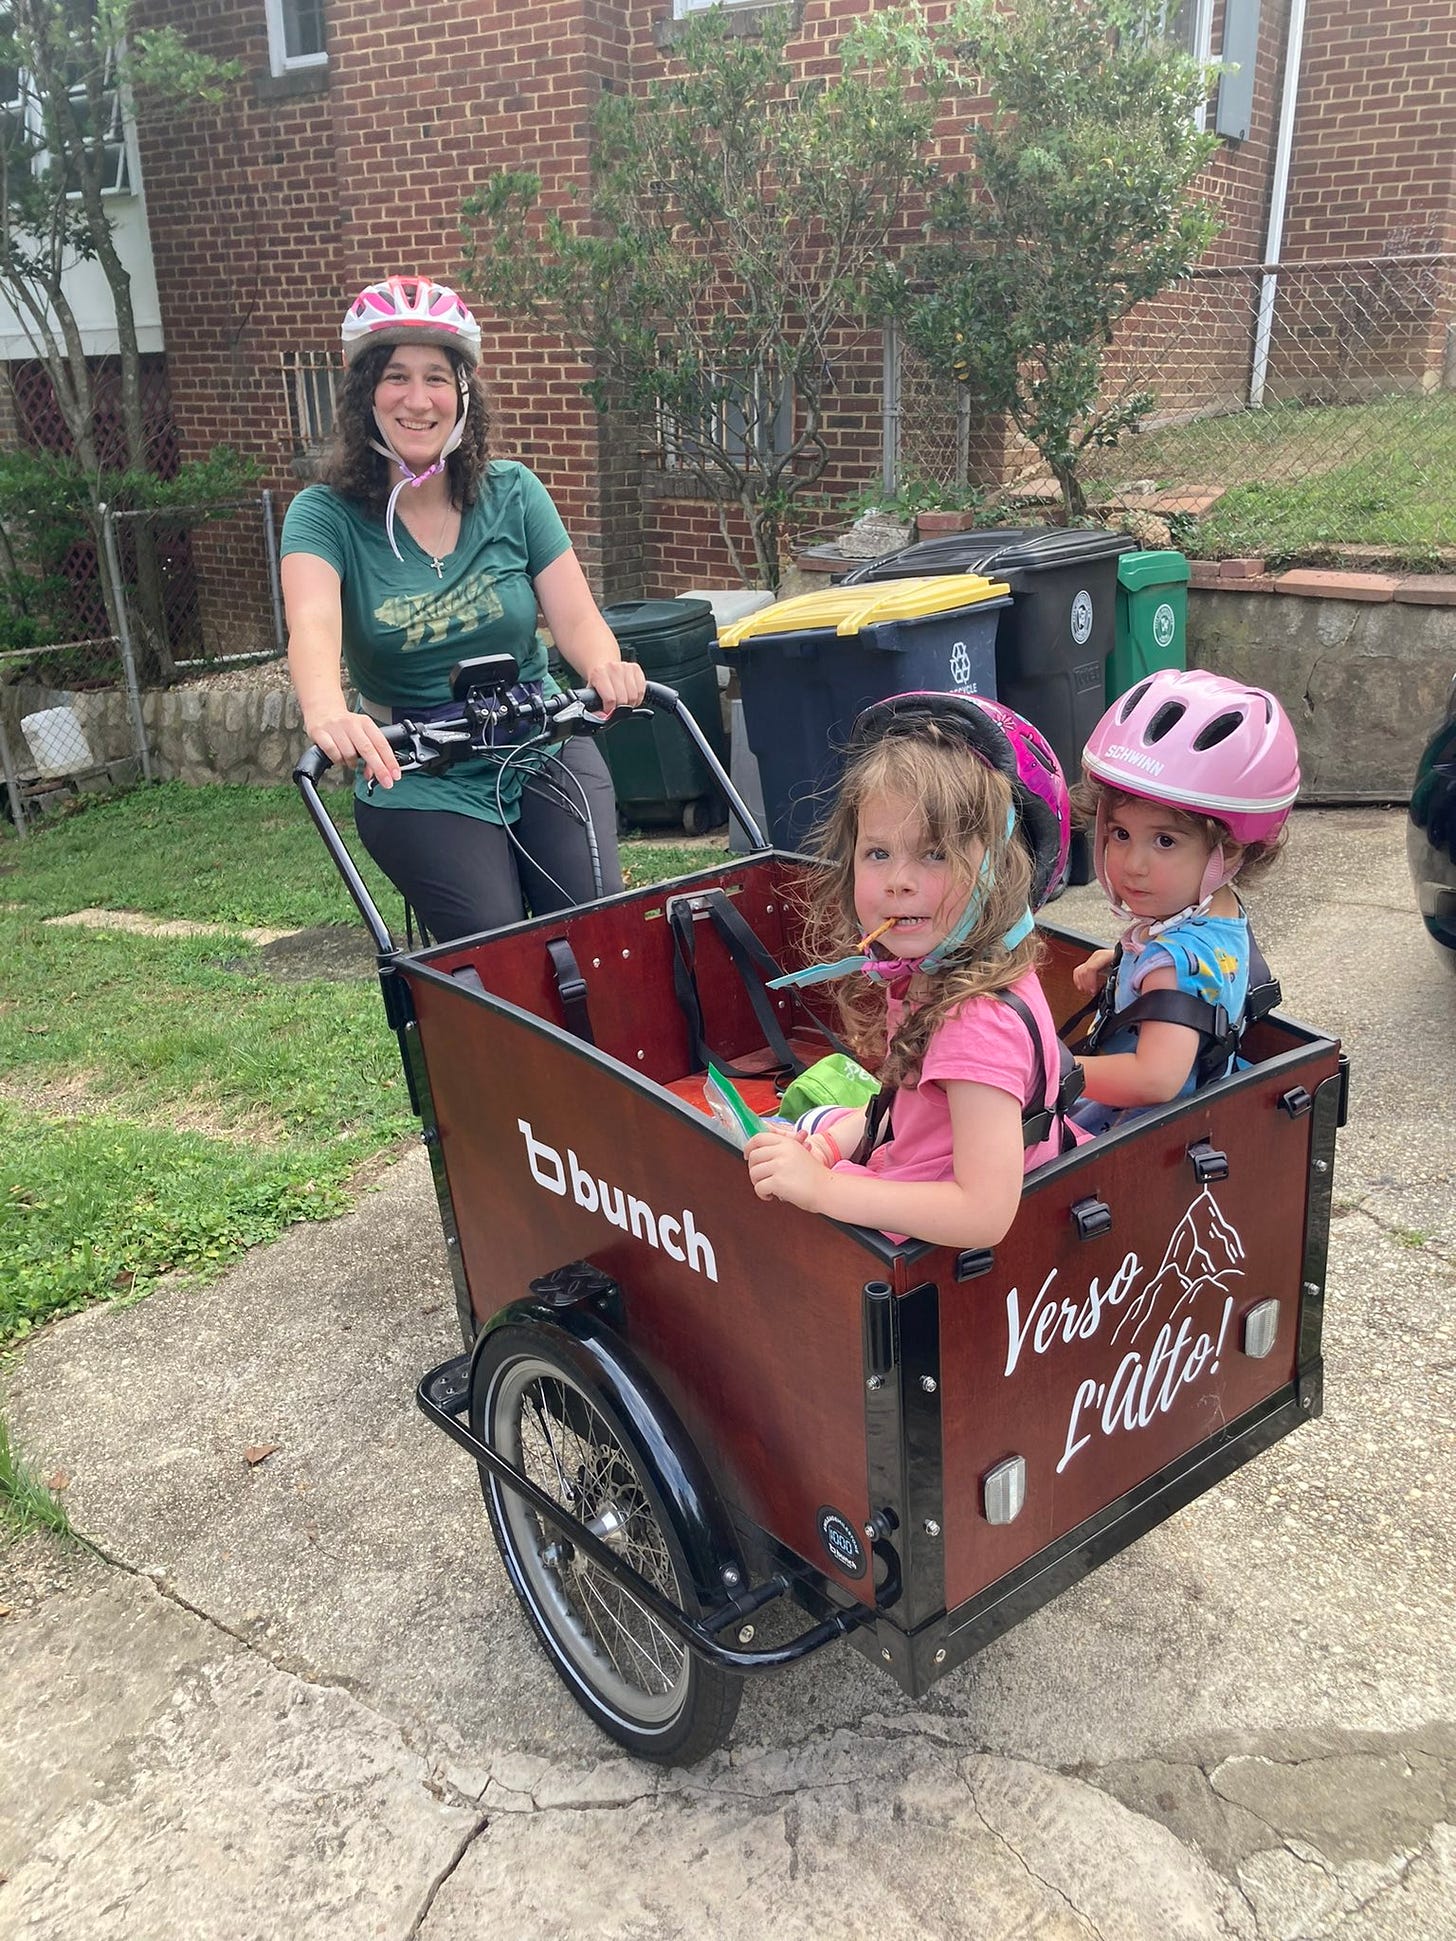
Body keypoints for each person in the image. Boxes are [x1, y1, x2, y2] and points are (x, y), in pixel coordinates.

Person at [280, 274, 646, 942]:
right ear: (366, 395)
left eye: (436, 378)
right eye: (395, 377)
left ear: (463, 395)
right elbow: (312, 623)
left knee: (600, 934)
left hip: (539, 740)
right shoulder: (323, 516)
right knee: (496, 947)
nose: (417, 399)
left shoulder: (514, 493)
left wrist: (605, 665)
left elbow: (575, 619)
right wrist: (326, 711)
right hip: (417, 768)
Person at [744, 692, 1081, 1250]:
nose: (899, 880)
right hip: (911, 1173)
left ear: (1001, 872)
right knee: (791, 1137)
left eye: (935, 854)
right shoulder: (946, 972)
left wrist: (823, 1188)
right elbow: (907, 1113)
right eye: (878, 853)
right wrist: (827, 1150)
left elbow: (983, 1212)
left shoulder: (974, 1024)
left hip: (928, 1239)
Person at [1068, 668, 1300, 1133]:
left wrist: (1046, 1073)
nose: (1133, 863)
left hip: (1135, 1139)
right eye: (1120, 834)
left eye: (1165, 842)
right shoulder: (1214, 910)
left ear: (1228, 851)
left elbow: (1156, 1079)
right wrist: (1123, 964)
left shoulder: (1173, 967)